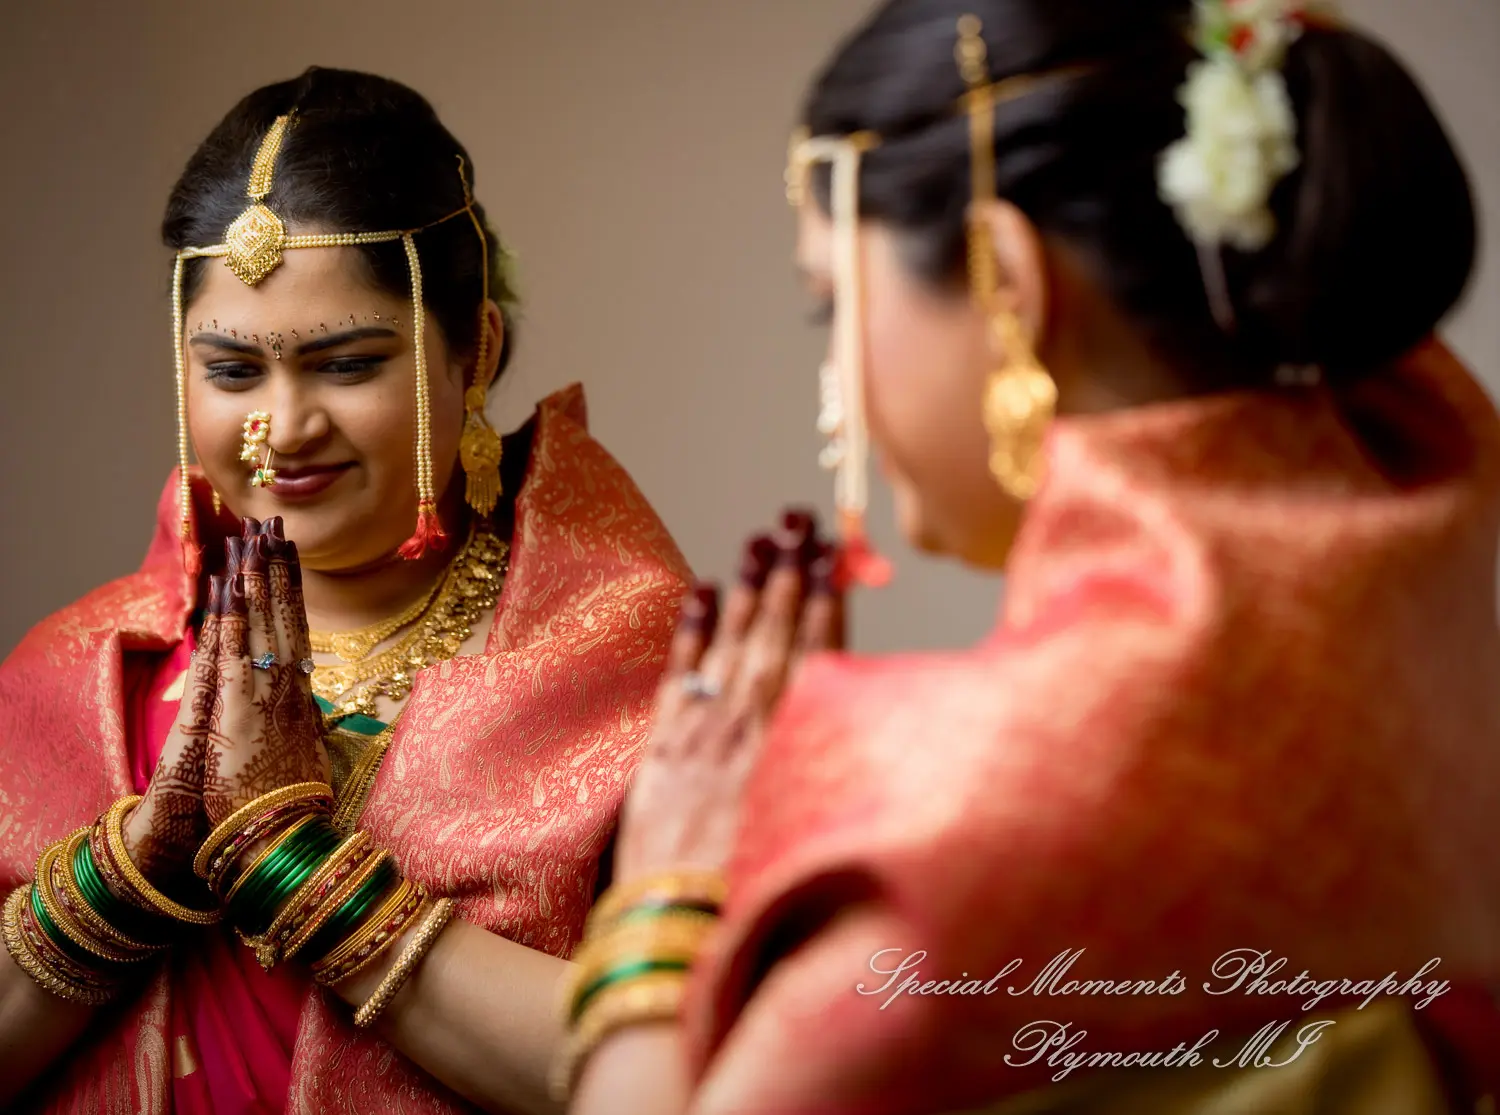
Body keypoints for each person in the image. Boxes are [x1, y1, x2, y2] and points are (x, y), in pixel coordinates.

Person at [559, 1, 1500, 1112]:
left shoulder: (979, 813)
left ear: (1006, 276)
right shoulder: (1431, 628)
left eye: (833, 306)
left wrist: (672, 880)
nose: (842, 390)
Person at [0, 67, 689, 1114]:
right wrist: (119, 881)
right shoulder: (81, 671)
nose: (284, 427)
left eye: (347, 363)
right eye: (231, 371)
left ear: (479, 350)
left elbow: (707, 1073)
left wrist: (300, 874)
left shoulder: (638, 662)